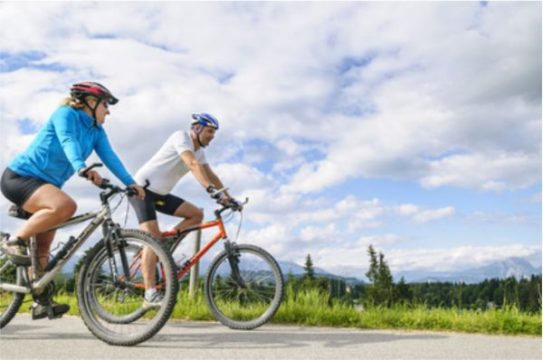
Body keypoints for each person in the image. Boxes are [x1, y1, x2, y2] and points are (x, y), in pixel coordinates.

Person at [0, 81, 145, 320]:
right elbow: (67, 140)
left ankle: (39, 298)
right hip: (20, 177)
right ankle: (14, 241)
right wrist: (82, 168)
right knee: (65, 206)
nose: (108, 111)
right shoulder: (65, 114)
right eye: (106, 105)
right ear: (90, 102)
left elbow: (110, 156)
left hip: (46, 186)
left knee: (43, 247)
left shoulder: (96, 131)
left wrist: (130, 182)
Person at [129, 113, 240, 306]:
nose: (212, 136)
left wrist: (227, 197)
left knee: (196, 214)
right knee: (153, 240)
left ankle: (162, 250)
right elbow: (192, 164)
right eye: (209, 131)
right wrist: (211, 191)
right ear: (196, 129)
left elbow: (210, 174)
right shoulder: (181, 137)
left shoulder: (200, 152)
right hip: (141, 190)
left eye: (214, 133)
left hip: (161, 195)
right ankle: (149, 294)